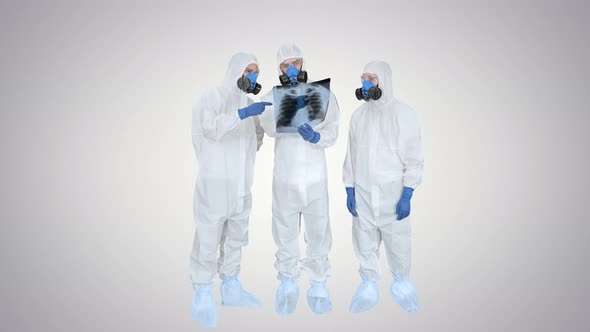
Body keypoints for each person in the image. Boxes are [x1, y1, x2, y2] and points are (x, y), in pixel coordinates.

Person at [189, 52, 271, 328]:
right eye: (248, 70)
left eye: (256, 72)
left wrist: (254, 116)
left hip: (241, 185)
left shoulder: (250, 103)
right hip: (214, 185)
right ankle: (202, 292)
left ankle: (231, 288)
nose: (252, 76)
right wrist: (242, 114)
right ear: (235, 70)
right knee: (209, 238)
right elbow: (210, 129)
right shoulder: (211, 97)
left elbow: (256, 139)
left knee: (237, 236)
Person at [259, 43, 340, 315]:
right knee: (285, 232)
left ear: (304, 63)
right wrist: (283, 105)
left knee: (318, 232)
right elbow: (268, 128)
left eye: (296, 63)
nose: (292, 69)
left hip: (315, 179)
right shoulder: (272, 96)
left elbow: (333, 131)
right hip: (286, 179)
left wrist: (317, 137)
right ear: (278, 68)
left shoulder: (323, 95)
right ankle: (288, 282)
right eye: (285, 65)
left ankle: (318, 284)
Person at [343, 60, 424, 313]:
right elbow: (351, 154)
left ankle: (402, 283)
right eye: (363, 78)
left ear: (384, 81)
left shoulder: (404, 113)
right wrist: (349, 187)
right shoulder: (358, 116)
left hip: (392, 195)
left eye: (372, 78)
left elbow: (414, 157)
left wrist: (408, 192)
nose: (366, 83)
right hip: (364, 194)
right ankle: (368, 284)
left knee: (398, 243)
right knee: (363, 241)